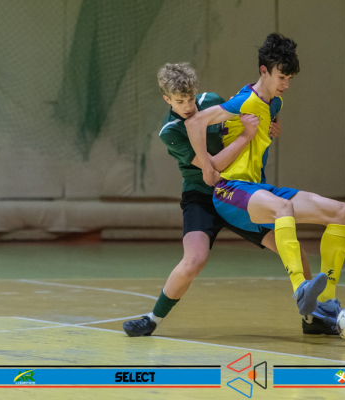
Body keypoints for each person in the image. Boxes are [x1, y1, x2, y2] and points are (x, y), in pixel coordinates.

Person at [122, 62, 311, 337]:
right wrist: (246, 136)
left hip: (235, 191)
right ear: (166, 99)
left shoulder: (211, 101)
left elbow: (253, 108)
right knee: (194, 259)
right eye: (179, 101)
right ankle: (152, 319)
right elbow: (212, 168)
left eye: (190, 99)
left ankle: (313, 317)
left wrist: (271, 123)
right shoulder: (170, 131)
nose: (188, 106)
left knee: (293, 249)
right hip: (201, 197)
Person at [186, 34, 345, 335]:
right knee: (283, 208)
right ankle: (300, 288)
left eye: (289, 78)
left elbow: (270, 115)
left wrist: (273, 127)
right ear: (264, 71)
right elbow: (194, 122)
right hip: (230, 191)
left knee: (341, 212)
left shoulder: (275, 103)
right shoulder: (244, 101)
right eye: (281, 77)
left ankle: (326, 303)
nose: (285, 84)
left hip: (259, 190)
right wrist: (208, 168)